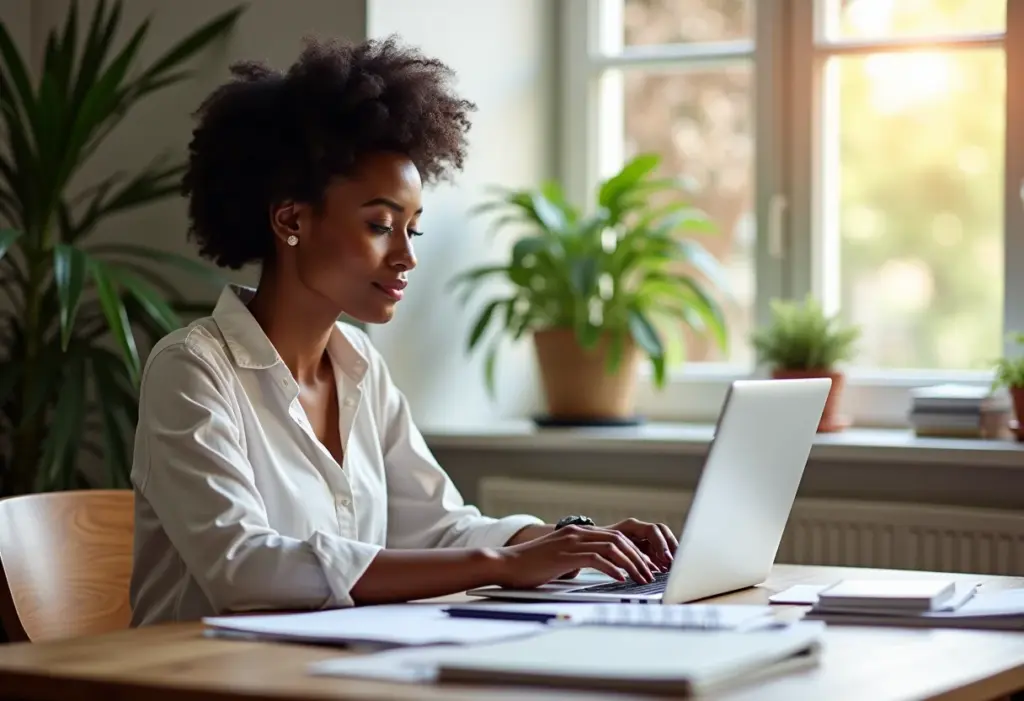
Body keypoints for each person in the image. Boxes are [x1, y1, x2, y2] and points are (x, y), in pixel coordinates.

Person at [128, 36, 678, 627]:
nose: (405, 257)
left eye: (411, 229)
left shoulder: (360, 367)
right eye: (379, 225)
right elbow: (244, 569)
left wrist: (575, 543)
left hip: (325, 670)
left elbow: (442, 526)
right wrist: (497, 564)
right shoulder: (191, 371)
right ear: (291, 219)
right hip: (194, 678)